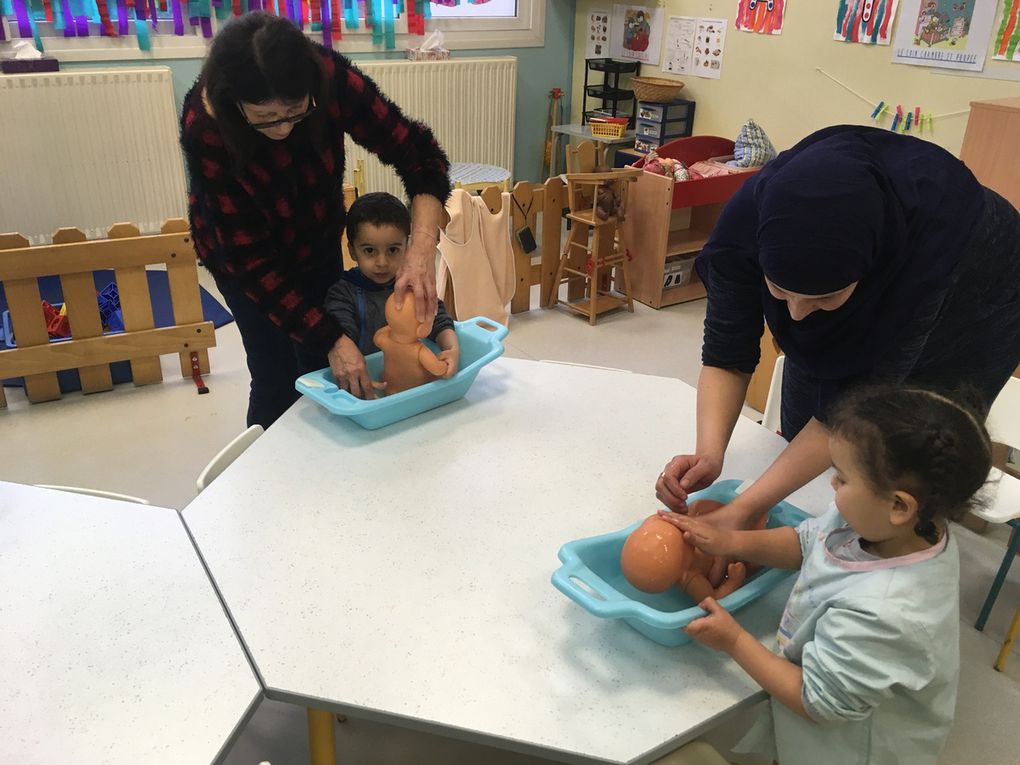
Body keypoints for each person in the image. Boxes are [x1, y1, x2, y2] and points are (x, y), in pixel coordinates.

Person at [655, 125, 1020, 547]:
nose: (795, 314)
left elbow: (850, 406)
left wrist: (743, 508)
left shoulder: (922, 263)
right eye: (779, 290)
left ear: (865, 276)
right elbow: (726, 352)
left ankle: (896, 561)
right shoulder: (746, 226)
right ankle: (811, 535)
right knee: (810, 422)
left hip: (979, 301)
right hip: (884, 268)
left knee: (906, 460)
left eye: (823, 297)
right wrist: (710, 452)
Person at [658, 387, 993, 765]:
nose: (832, 487)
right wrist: (730, 541)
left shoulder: (887, 614)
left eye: (843, 478)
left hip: (850, 750)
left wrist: (734, 640)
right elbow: (807, 542)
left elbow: (816, 701)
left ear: (898, 505)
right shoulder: (892, 526)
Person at [179, 12, 451, 428]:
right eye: (265, 118)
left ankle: (330, 470)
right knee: (275, 375)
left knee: (323, 367)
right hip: (243, 263)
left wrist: (420, 248)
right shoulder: (208, 128)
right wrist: (330, 338)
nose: (284, 127)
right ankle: (270, 482)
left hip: (316, 235)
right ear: (234, 103)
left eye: (295, 110)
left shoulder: (328, 78)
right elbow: (252, 265)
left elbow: (419, 154)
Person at [323, 192, 459, 397]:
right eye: (369, 250)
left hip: (415, 388)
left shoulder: (412, 285)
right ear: (352, 251)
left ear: (407, 246)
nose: (382, 262)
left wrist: (452, 349)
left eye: (393, 250)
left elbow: (438, 318)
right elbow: (340, 336)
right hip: (366, 389)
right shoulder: (343, 292)